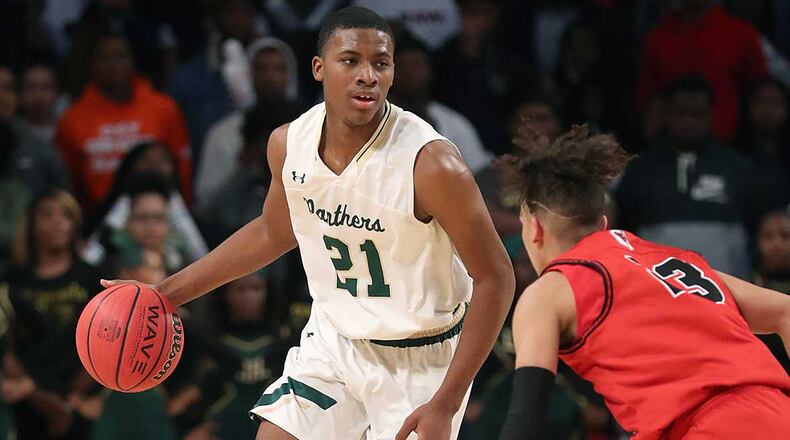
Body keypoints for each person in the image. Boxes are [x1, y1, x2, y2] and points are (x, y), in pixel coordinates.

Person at [104, 6, 514, 440]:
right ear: (318, 68)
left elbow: (496, 277)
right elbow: (274, 231)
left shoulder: (432, 165)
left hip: (421, 358)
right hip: (335, 342)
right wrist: (165, 294)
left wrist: (447, 401)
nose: (368, 75)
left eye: (381, 63)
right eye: (351, 60)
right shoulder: (288, 143)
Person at [498, 124, 790, 439]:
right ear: (604, 224)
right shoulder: (679, 262)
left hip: (705, 427)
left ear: (535, 229)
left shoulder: (549, 291)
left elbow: (524, 420)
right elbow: (785, 311)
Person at [616, 76, 758, 278]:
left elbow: (757, 232)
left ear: (711, 115)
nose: (688, 122)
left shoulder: (738, 168)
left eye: (697, 114)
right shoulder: (641, 170)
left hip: (727, 292)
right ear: (667, 115)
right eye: (681, 113)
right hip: (654, 292)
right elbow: (622, 233)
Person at [56, 30, 192, 214]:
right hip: (97, 217)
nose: (113, 64)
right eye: (104, 57)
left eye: (121, 55)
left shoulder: (163, 108)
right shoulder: (72, 118)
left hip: (164, 212)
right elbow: (68, 183)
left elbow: (182, 168)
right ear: (92, 63)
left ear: (133, 60)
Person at [4, 189, 101, 439]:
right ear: (31, 223)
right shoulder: (12, 282)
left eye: (66, 215)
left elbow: (103, 340)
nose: (58, 222)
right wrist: (33, 389)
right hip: (26, 393)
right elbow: (6, 346)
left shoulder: (93, 278)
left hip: (82, 389)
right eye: (48, 215)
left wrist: (71, 398)